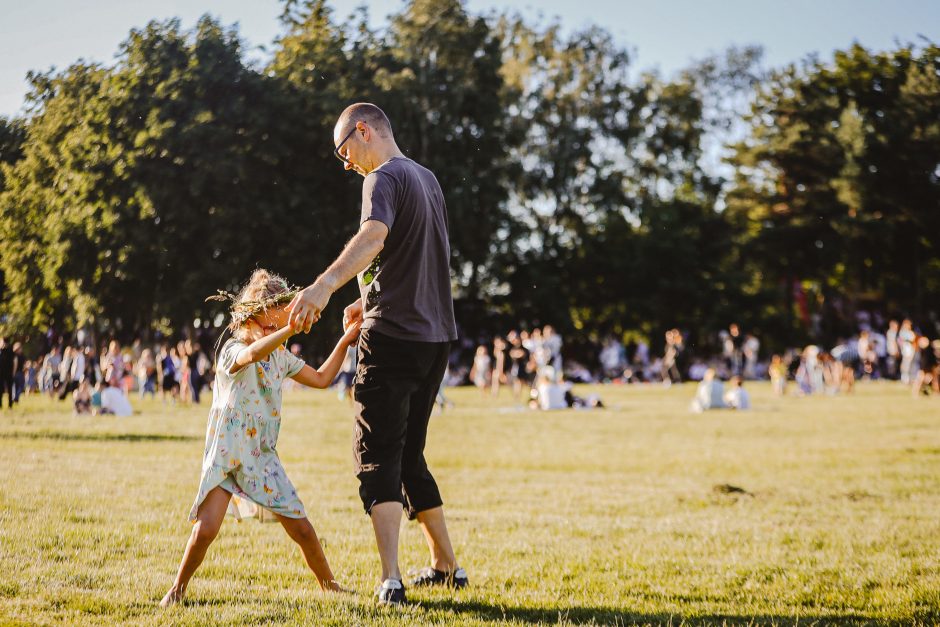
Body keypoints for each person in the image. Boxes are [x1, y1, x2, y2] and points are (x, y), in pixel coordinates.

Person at [286, 103, 466, 605]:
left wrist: (322, 286)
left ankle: (390, 578)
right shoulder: (427, 179)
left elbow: (374, 237)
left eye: (345, 152)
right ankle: (446, 565)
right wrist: (364, 298)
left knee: (376, 455)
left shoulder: (382, 178)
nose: (347, 165)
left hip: (393, 338)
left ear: (363, 131)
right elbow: (416, 257)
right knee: (409, 453)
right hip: (436, 338)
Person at [161, 269, 359, 607]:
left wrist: (345, 340)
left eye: (278, 326)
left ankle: (329, 585)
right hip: (227, 454)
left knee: (304, 531)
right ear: (248, 321)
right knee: (206, 530)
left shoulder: (280, 356)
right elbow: (251, 356)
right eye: (268, 328)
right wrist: (288, 329)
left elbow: (324, 378)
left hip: (262, 457)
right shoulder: (233, 351)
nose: (275, 335)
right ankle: (177, 589)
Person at [0, 338, 13, 408]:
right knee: (0, 389)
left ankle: (10, 404)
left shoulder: (10, 351)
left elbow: (14, 362)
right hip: (1, 374)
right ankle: (0, 404)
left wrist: (13, 372)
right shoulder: (0, 351)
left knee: (9, 390)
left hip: (9, 373)